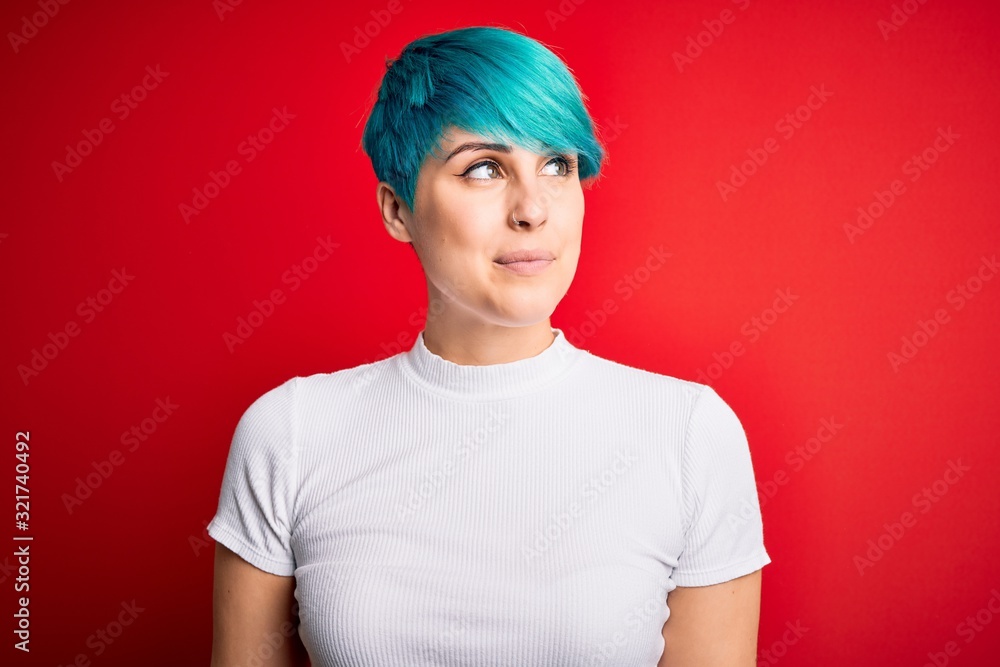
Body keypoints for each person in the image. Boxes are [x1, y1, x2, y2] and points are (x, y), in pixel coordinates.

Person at [208, 25, 770, 667]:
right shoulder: (290, 433)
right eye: (483, 168)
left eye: (558, 164)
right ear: (397, 209)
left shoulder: (691, 434)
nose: (534, 209)